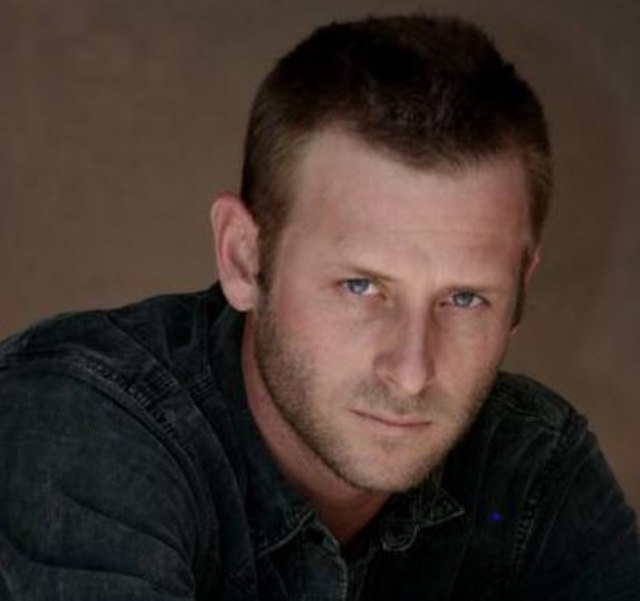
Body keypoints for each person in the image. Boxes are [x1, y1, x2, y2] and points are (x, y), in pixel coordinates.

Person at [0, 14, 638, 601]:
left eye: (464, 298)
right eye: (361, 287)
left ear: (521, 289)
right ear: (244, 260)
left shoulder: (533, 467)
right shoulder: (80, 426)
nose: (411, 372)